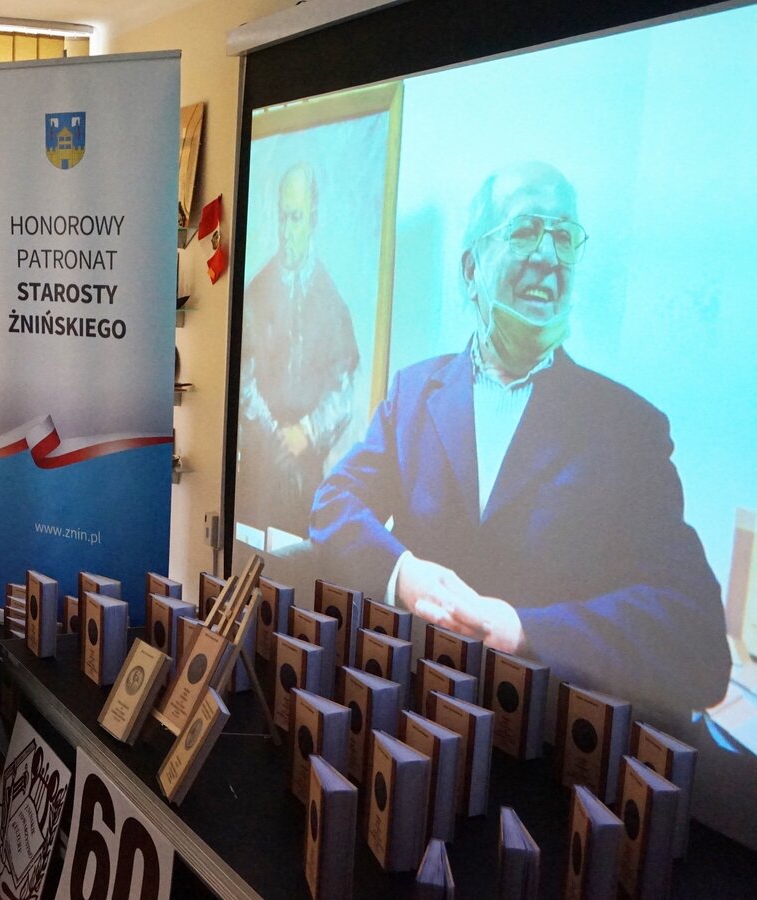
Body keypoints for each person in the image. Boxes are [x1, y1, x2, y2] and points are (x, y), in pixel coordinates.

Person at [310, 161, 728, 722]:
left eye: (564, 237)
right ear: (471, 269)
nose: (548, 257)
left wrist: (524, 630)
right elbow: (333, 503)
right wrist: (403, 574)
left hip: (546, 736)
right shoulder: (414, 393)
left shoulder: (627, 428)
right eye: (525, 231)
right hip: (409, 715)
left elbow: (696, 636)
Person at [239, 161, 359, 539]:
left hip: (306, 481)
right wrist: (275, 434)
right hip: (256, 475)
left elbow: (342, 391)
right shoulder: (255, 294)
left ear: (313, 219)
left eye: (296, 217)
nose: (286, 230)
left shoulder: (333, 303)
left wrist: (306, 432)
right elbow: (242, 379)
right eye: (282, 217)